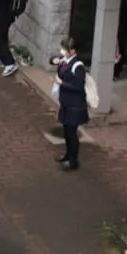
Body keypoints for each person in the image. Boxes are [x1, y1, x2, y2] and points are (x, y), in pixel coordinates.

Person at [50, 37, 89, 171]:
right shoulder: (65, 61)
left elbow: (78, 86)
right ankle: (67, 155)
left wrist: (62, 84)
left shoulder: (78, 66)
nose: (63, 52)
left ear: (72, 51)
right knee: (66, 131)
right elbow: (53, 60)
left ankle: (73, 161)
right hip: (66, 102)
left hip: (75, 105)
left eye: (65, 49)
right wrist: (54, 60)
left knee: (72, 133)